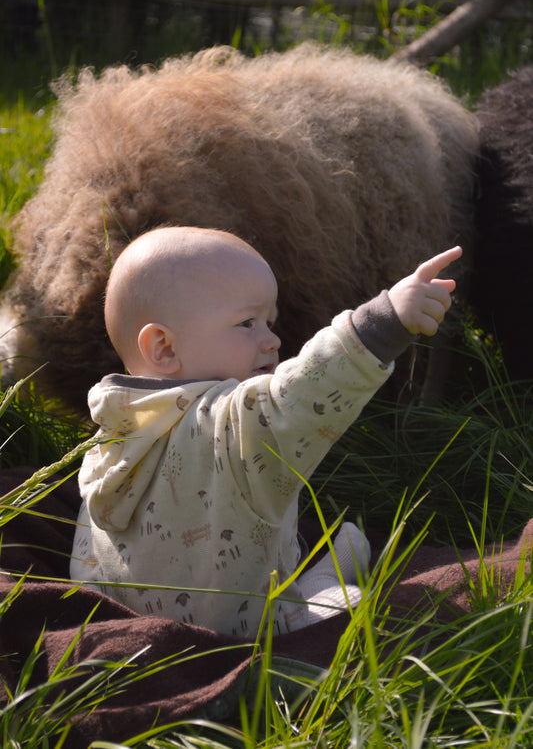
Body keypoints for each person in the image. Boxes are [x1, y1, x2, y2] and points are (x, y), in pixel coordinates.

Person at [70, 226, 462, 637]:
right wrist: (383, 323)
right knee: (348, 611)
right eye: (247, 323)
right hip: (242, 637)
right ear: (164, 348)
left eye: (269, 322)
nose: (273, 339)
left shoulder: (111, 433)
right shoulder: (230, 423)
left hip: (126, 636)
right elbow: (299, 396)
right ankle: (331, 574)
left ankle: (335, 561)